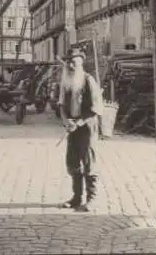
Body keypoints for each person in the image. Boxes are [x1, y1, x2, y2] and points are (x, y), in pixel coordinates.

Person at [58, 47, 103, 212]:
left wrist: (80, 122)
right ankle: (76, 198)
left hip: (87, 126)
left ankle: (92, 199)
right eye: (68, 62)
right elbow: (61, 105)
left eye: (74, 62)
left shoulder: (88, 80)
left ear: (80, 63)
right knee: (72, 162)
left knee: (89, 162)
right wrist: (65, 120)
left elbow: (96, 107)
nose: (70, 66)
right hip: (72, 128)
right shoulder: (65, 82)